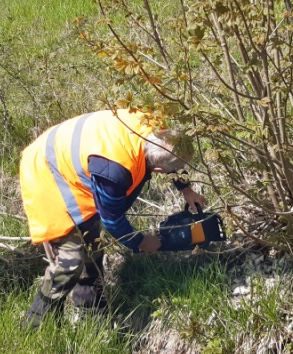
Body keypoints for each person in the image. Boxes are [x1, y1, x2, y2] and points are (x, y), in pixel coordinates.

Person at [19, 108, 206, 326]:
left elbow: (173, 156)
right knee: (71, 260)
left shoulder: (157, 127)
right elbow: (112, 220)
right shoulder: (114, 171)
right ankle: (35, 323)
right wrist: (141, 242)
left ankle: (92, 318)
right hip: (46, 170)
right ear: (156, 168)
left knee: (92, 245)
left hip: (74, 158)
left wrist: (186, 189)